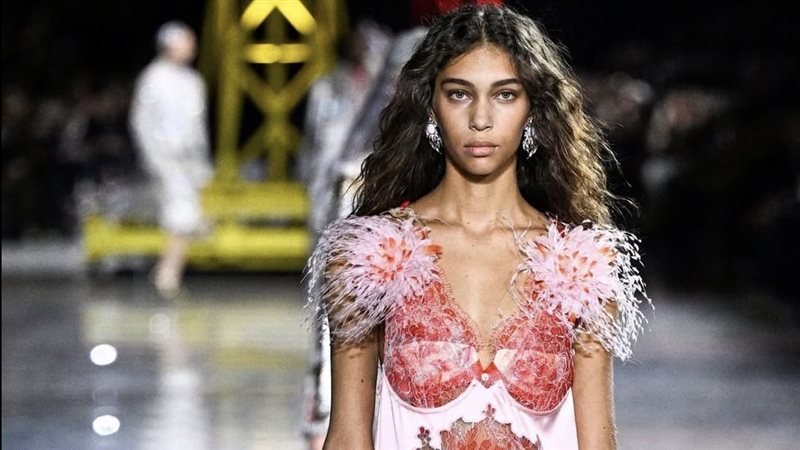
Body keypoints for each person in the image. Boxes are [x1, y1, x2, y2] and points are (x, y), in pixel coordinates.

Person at [306, 4, 652, 449]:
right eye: (459, 94)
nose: (481, 119)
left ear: (533, 109)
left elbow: (598, 441)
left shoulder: (578, 267)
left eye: (505, 95)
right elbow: (348, 436)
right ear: (430, 106)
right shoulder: (371, 259)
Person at [129, 21, 213, 298]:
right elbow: (142, 123)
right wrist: (153, 159)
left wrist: (201, 167)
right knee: (182, 216)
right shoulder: (153, 79)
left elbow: (198, 128)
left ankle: (166, 274)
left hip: (188, 162)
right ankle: (166, 277)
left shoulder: (192, 81)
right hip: (165, 160)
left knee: (187, 217)